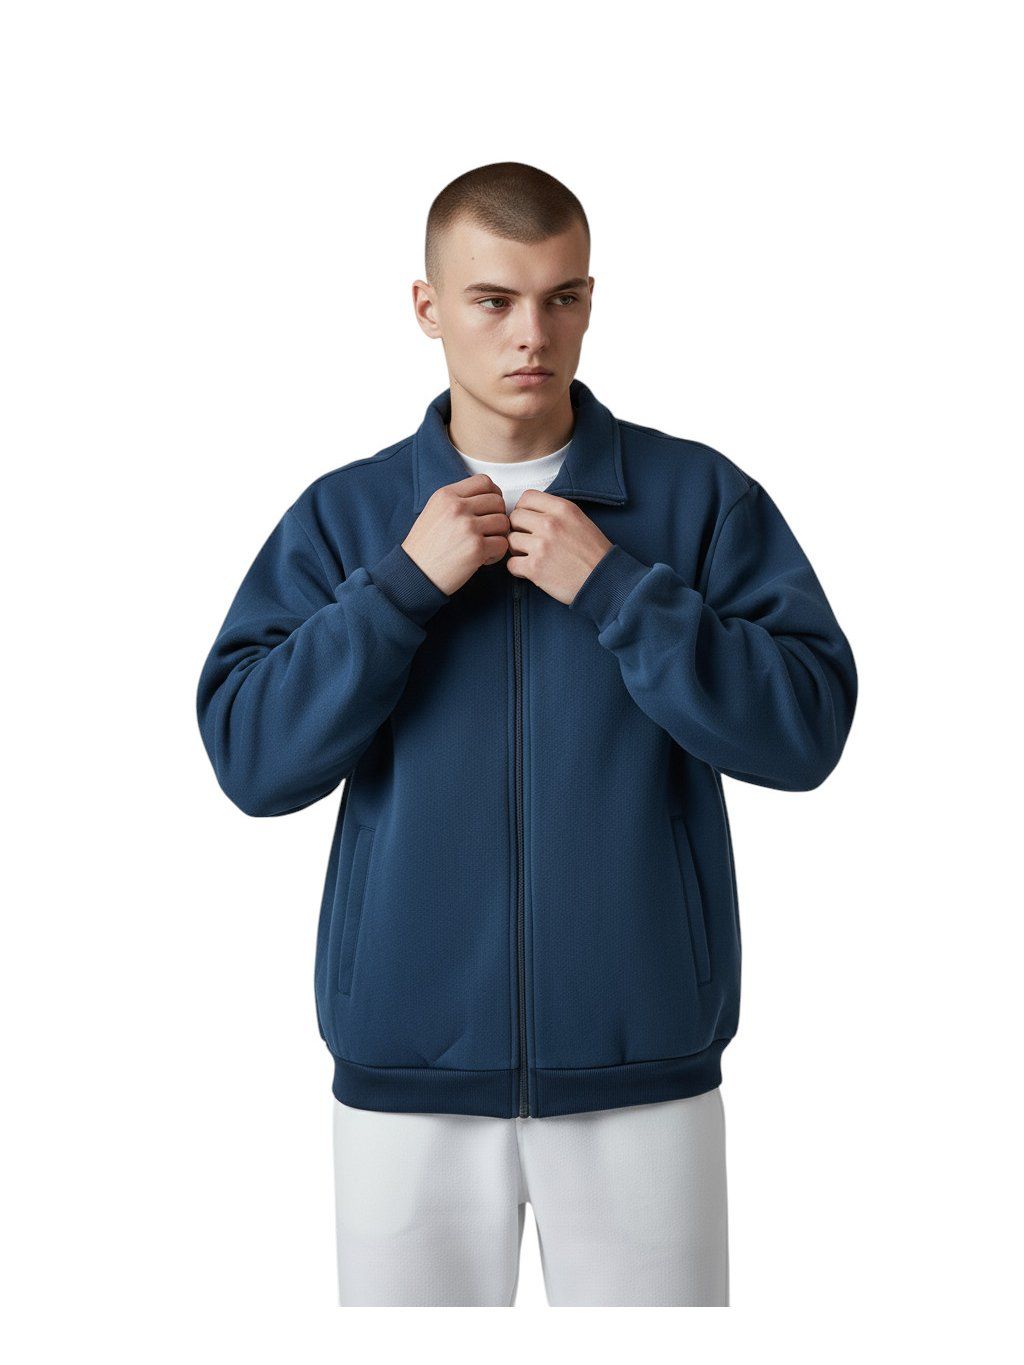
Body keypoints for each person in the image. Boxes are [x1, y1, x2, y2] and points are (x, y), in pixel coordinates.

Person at [195, 161, 858, 1306]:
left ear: (590, 300)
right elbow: (253, 759)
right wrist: (400, 588)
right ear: (427, 307)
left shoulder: (697, 501)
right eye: (492, 300)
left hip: (641, 1069)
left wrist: (617, 590)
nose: (530, 335)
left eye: (561, 298)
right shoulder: (350, 517)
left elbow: (803, 732)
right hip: (406, 1071)